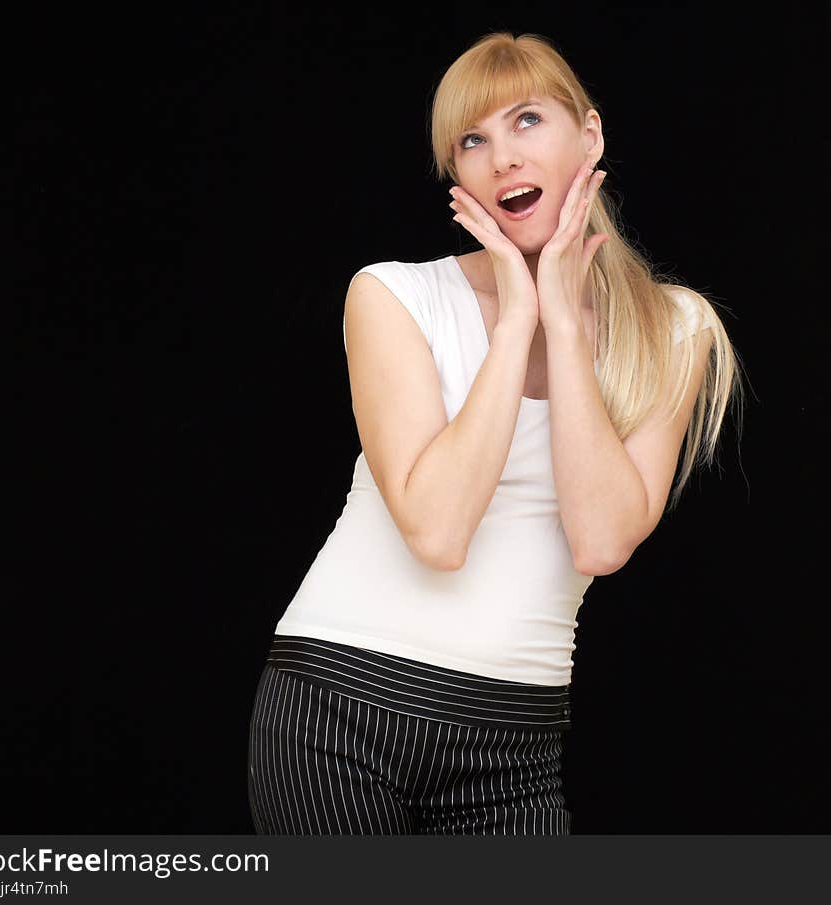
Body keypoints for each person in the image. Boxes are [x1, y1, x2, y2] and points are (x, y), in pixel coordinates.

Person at [247, 31, 743, 836]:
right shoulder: (393, 296)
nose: (502, 157)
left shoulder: (672, 327)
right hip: (335, 709)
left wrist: (565, 322)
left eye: (526, 121)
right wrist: (515, 321)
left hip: (514, 742)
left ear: (589, 135)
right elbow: (438, 532)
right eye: (472, 140)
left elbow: (601, 540)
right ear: (456, 173)